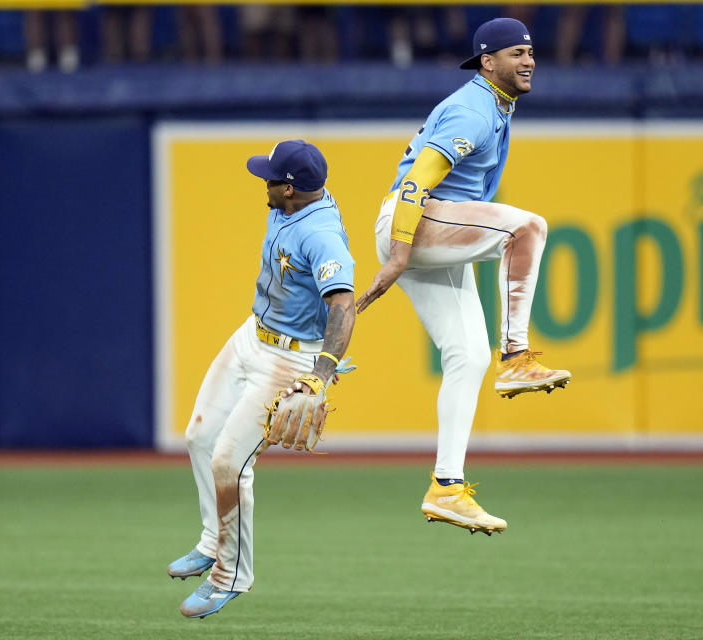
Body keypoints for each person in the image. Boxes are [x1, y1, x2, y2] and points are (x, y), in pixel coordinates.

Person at [356, 18, 571, 536]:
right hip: (416, 221)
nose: (527, 60)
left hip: (430, 227)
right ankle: (517, 356)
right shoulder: (473, 109)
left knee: (469, 357)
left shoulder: (495, 105)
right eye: (514, 53)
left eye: (530, 52)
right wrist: (398, 254)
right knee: (527, 227)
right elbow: (415, 183)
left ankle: (446, 486)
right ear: (486, 62)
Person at [168, 140, 357, 618]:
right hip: (252, 335)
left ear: (289, 188)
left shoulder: (321, 236)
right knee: (199, 438)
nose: (264, 182)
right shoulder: (289, 204)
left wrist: (321, 374)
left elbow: (343, 304)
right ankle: (213, 542)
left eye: (269, 177)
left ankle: (229, 577)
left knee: (230, 463)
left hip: (290, 360)